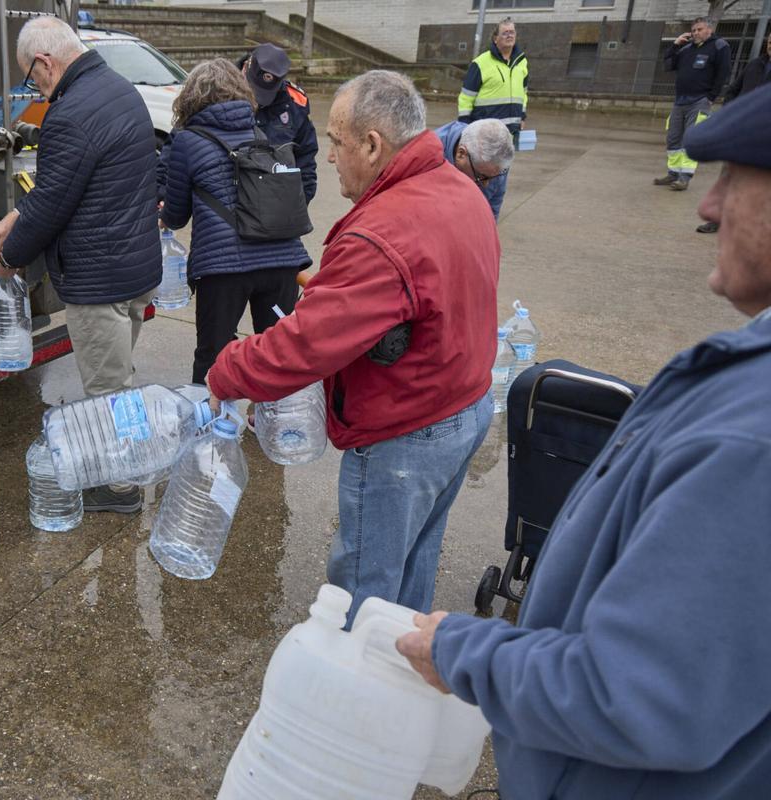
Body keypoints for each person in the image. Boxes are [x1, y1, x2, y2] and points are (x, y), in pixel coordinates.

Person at [398, 85, 771, 800]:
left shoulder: (751, 439)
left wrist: (461, 649)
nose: (707, 204)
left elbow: (632, 697)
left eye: (733, 179)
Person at [206, 70, 499, 624]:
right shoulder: (457, 186)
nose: (330, 156)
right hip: (465, 403)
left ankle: (354, 681)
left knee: (363, 590)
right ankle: (397, 662)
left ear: (372, 144)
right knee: (413, 560)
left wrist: (228, 369)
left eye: (336, 142)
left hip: (407, 431)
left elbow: (303, 347)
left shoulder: (383, 231)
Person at [0, 16, 161, 515]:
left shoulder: (69, 113)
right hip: (134, 269)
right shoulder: (119, 89)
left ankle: (120, 488)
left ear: (45, 62)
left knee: (109, 389)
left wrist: (9, 260)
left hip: (99, 279)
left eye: (31, 76)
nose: (33, 86)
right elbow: (74, 185)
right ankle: (125, 470)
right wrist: (14, 218)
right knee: (119, 375)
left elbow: (55, 201)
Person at [158, 59, 312, 384]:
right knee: (277, 355)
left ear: (191, 98)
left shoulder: (187, 141)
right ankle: (269, 421)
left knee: (213, 356)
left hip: (223, 271)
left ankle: (212, 427)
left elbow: (175, 215)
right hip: (282, 263)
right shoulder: (260, 132)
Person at [698, 31, 770, 233]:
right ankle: (719, 220)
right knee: (728, 176)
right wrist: (731, 112)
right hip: (743, 131)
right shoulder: (755, 65)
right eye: (770, 41)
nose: (770, 45)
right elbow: (733, 89)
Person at [654, 16, 731, 192]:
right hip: (680, 101)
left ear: (709, 30)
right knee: (673, 139)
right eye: (694, 30)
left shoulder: (720, 46)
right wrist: (675, 44)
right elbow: (668, 64)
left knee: (690, 139)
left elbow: (723, 73)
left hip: (699, 101)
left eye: (700, 29)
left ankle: (684, 178)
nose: (695, 33)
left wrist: (710, 97)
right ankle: (673, 173)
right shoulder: (687, 48)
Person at [238, 43, 319, 204]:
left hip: (278, 210)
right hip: (233, 209)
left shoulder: (295, 104)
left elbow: (306, 159)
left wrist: (297, 206)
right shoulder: (220, 92)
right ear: (246, 67)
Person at [459, 18, 528, 140]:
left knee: (505, 160)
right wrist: (464, 125)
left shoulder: (522, 62)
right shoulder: (480, 63)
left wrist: (522, 117)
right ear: (495, 39)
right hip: (485, 132)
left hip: (510, 132)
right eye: (505, 33)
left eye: (512, 32)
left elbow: (524, 93)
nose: (509, 35)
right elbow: (466, 97)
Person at [434, 118, 515, 220]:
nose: (486, 185)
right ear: (461, 154)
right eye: (481, 176)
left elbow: (492, 207)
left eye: (494, 177)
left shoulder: (496, 163)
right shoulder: (429, 155)